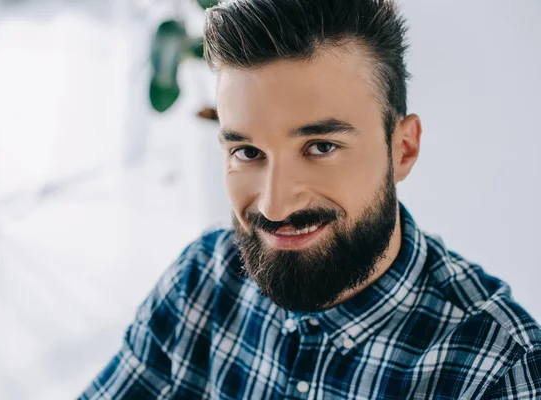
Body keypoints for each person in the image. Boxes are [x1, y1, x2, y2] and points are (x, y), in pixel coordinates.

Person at [79, 0, 541, 398]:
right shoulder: (202, 279)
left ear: (402, 149)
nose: (274, 207)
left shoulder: (497, 370)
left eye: (321, 147)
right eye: (247, 152)